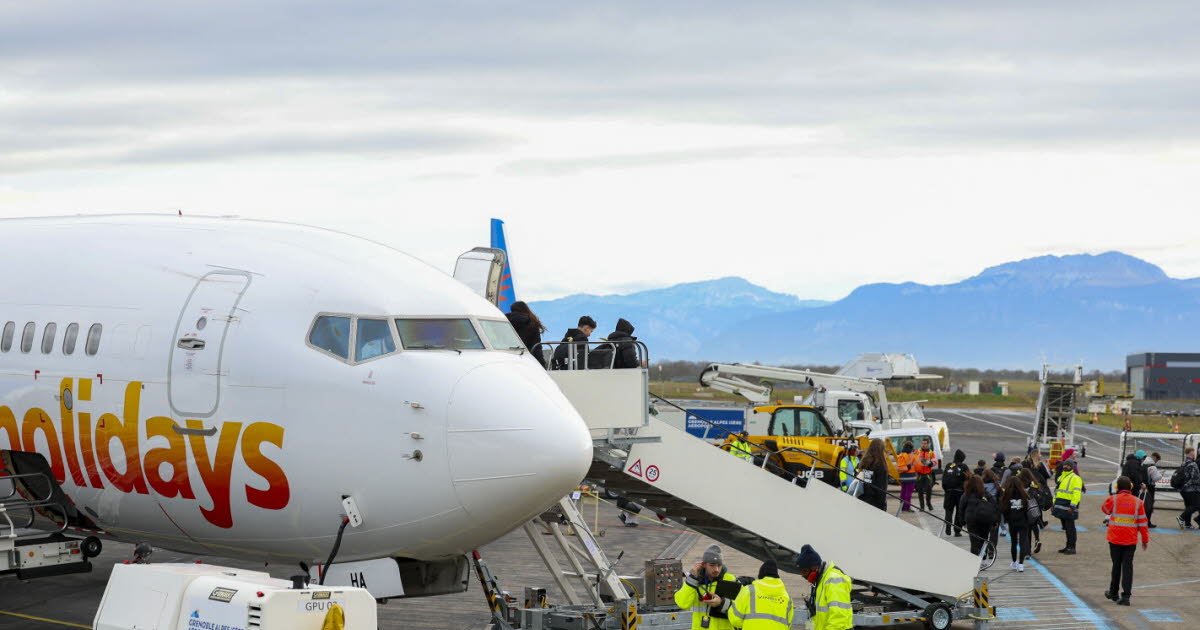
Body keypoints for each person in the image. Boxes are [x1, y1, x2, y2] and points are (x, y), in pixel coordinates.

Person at [1101, 476, 1150, 606]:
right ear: (1131, 487)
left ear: (1117, 488)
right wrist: (1145, 540)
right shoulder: (1138, 502)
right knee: (1127, 567)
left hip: (1115, 539)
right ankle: (1126, 597)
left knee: (1116, 565)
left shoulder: (1114, 499)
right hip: (1130, 540)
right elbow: (1143, 523)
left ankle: (1113, 592)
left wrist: (1114, 496)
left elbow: (1105, 509)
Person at [675, 545, 740, 630]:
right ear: (704, 564)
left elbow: (741, 609)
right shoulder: (693, 582)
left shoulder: (731, 580)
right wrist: (692, 578)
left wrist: (721, 603)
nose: (716, 569)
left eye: (719, 565)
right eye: (712, 565)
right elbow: (682, 604)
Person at [794, 545, 852, 630]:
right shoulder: (821, 581)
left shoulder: (833, 580)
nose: (803, 576)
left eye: (804, 571)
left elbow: (838, 618)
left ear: (814, 567)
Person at [726, 560, 793, 630]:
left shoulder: (748, 591)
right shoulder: (787, 598)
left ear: (761, 575)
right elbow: (788, 625)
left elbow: (735, 620)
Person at [957, 476, 1000, 559]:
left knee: (974, 541)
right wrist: (995, 521)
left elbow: (961, 508)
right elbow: (995, 507)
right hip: (985, 520)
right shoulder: (986, 494)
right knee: (984, 539)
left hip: (971, 520)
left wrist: (962, 521)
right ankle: (983, 557)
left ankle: (975, 559)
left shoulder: (966, 495)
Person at [1000, 477, 1032, 571]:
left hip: (1012, 521)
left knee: (1014, 542)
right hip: (1023, 521)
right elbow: (1028, 508)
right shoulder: (1024, 494)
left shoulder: (1006, 495)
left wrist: (1007, 519)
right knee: (1023, 542)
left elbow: (1003, 509)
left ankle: (1014, 562)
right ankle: (1021, 564)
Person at [1054, 460, 1084, 554]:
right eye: (1064, 465)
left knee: (1070, 527)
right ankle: (1067, 546)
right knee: (1066, 527)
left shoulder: (1075, 478)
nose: (1065, 466)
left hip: (1069, 506)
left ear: (1071, 467)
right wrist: (1053, 503)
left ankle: (1072, 547)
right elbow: (1057, 491)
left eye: (1067, 465)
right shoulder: (1061, 477)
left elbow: (1076, 493)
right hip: (1060, 505)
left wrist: (1073, 506)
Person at [505, 301, 547, 368]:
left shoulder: (504, 321)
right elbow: (536, 347)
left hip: (507, 358)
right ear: (526, 309)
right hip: (526, 359)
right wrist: (542, 364)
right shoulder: (532, 323)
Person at [1019, 469, 1047, 554]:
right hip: (1035, 508)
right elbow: (1041, 495)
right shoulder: (1034, 484)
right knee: (1034, 525)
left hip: (1025, 509)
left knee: (1026, 531)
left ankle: (1028, 551)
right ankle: (1037, 539)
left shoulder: (1020, 484)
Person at [942, 450, 968, 536]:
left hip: (949, 491)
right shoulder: (964, 466)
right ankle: (957, 530)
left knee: (948, 510)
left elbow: (944, 479)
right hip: (960, 492)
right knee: (959, 511)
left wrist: (946, 490)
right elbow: (968, 479)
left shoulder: (949, 465)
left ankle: (948, 527)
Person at [858, 438, 889, 511]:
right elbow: (881, 486)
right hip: (876, 502)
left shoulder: (865, 462)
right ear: (881, 449)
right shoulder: (880, 465)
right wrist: (882, 503)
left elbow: (867, 482)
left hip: (864, 498)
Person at [1177, 447, 1200, 530]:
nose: (1195, 454)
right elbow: (1195, 478)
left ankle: (1187, 524)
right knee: (1196, 505)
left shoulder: (1183, 463)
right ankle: (1181, 517)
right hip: (1191, 489)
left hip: (1183, 490)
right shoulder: (1193, 464)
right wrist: (1187, 485)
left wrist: (1184, 486)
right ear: (1191, 453)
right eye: (1194, 452)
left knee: (1188, 506)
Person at [914, 438, 939, 511]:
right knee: (919, 490)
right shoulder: (917, 451)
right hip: (919, 474)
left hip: (928, 474)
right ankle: (922, 506)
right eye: (922, 443)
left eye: (925, 443)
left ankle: (928, 503)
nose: (923, 445)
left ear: (928, 444)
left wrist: (931, 463)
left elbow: (935, 462)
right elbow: (913, 460)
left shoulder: (931, 453)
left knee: (929, 490)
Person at [1141, 451, 1161, 528]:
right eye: (1157, 460)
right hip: (1150, 487)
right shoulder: (1152, 466)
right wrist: (1160, 475)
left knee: (1143, 504)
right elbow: (1155, 478)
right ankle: (1148, 522)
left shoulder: (1143, 463)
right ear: (1155, 458)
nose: (1156, 462)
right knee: (1149, 505)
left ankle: (1141, 520)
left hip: (1143, 486)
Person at [896, 442, 918, 512]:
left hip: (902, 476)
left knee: (903, 491)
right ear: (911, 448)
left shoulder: (901, 455)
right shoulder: (912, 456)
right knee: (908, 493)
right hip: (911, 476)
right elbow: (918, 466)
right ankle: (907, 507)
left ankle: (902, 507)